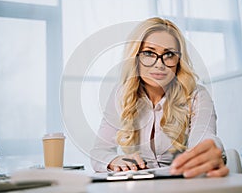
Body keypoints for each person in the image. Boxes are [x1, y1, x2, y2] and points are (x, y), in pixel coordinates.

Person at [90, 17, 229, 178]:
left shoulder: (197, 95)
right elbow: (99, 151)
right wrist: (113, 160)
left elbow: (204, 137)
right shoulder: (122, 94)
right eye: (149, 53)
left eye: (169, 54)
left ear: (178, 60)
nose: (159, 64)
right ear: (135, 57)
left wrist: (211, 149)